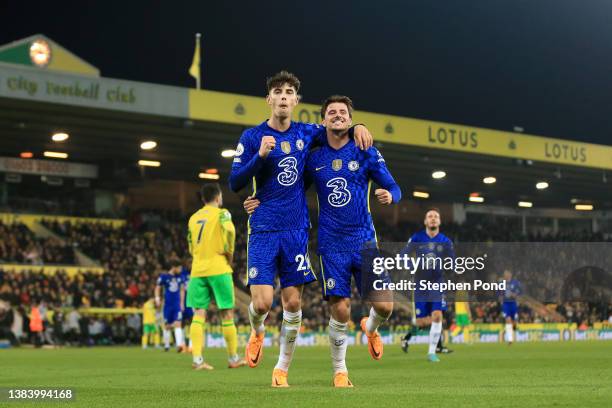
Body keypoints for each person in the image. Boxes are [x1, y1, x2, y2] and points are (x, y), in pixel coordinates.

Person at [228, 71, 373, 387]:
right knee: (263, 304)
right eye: (277, 91)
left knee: (293, 304)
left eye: (289, 91)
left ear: (295, 101)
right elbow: (235, 182)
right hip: (264, 229)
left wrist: (358, 125)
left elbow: (337, 129)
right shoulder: (252, 137)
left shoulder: (308, 133)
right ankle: (257, 329)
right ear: (269, 99)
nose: (283, 96)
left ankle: (280, 369)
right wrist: (260, 157)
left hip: (296, 231)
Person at [246, 95, 400, 387]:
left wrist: (391, 195)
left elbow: (393, 184)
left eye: (343, 112)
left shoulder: (365, 150)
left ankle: (370, 327)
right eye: (332, 112)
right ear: (324, 120)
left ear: (351, 119)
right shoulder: (314, 157)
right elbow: (286, 186)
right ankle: (340, 371)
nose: (338, 116)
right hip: (330, 243)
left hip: (365, 240)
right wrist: (258, 201)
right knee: (340, 309)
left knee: (385, 308)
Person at [186, 183, 246, 370]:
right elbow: (229, 231)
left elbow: (190, 244)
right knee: (227, 313)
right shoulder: (222, 213)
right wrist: (229, 253)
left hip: (198, 270)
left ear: (203, 199)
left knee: (198, 314)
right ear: (219, 197)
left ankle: (197, 360)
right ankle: (233, 358)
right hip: (219, 268)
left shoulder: (193, 218)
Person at [402, 208, 455, 362]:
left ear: (439, 221)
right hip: (420, 284)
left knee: (437, 316)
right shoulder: (417, 238)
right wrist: (411, 266)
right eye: (429, 216)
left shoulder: (446, 241)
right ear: (425, 221)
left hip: (437, 283)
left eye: (436, 216)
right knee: (422, 322)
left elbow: (452, 262)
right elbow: (403, 255)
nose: (433, 218)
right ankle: (407, 337)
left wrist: (446, 265)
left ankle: (432, 352)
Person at [155, 260, 185, 352]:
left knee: (178, 323)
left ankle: (179, 345)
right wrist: (157, 298)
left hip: (176, 305)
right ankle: (167, 345)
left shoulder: (180, 277)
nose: (180, 269)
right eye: (179, 267)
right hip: (167, 304)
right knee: (167, 325)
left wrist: (182, 303)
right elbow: (158, 287)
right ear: (174, 267)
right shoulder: (164, 277)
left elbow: (182, 290)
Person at [501, 270, 521, 345]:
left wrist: (514, 295)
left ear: (510, 275)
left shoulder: (515, 283)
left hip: (513, 303)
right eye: (504, 275)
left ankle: (515, 324)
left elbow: (520, 293)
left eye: (507, 274)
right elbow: (499, 293)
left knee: (513, 321)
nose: (505, 276)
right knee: (508, 320)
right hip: (506, 304)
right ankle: (510, 340)